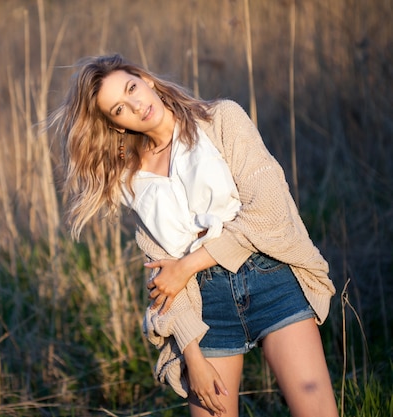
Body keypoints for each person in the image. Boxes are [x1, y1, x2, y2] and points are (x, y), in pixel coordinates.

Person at [49, 53, 338, 417]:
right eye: (119, 109)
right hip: (206, 307)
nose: (136, 106)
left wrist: (188, 264)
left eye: (132, 88)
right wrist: (192, 355)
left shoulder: (221, 120)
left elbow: (270, 212)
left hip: (271, 278)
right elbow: (164, 279)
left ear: (146, 80)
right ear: (116, 125)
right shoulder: (132, 182)